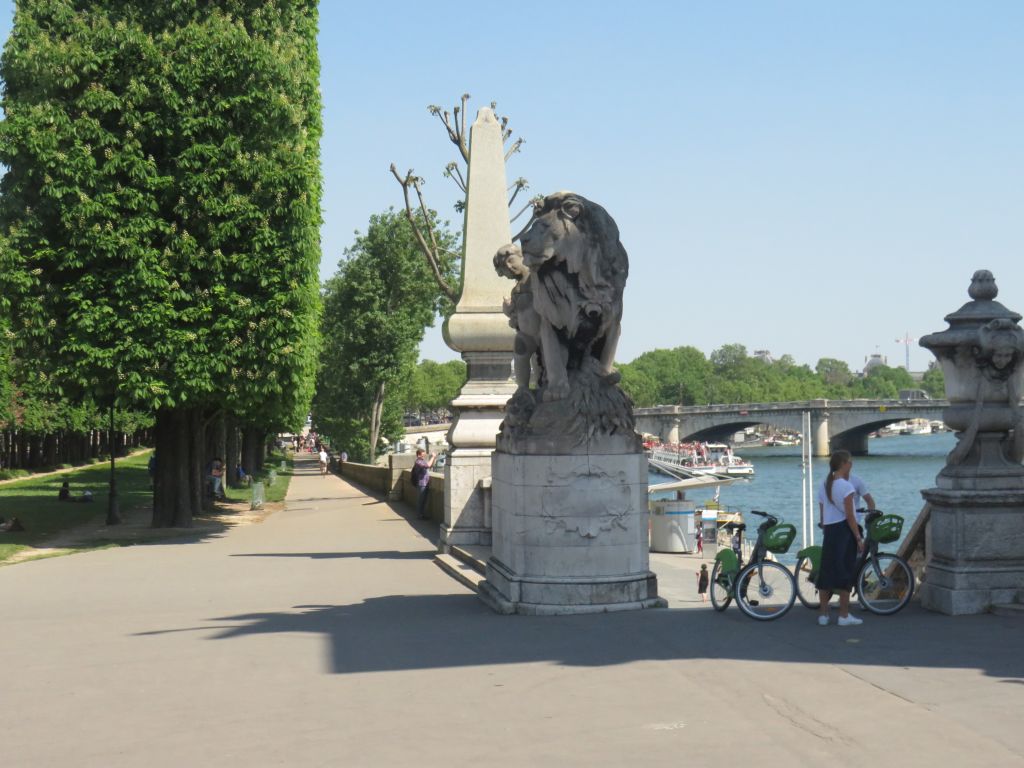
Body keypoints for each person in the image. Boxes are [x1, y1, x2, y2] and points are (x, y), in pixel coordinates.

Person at [815, 449, 865, 627]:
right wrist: (858, 537)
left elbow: (822, 512)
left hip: (829, 530)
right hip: (844, 531)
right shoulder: (846, 487)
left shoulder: (824, 484)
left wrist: (824, 527)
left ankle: (823, 614)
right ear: (844, 464)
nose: (851, 464)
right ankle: (844, 615)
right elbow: (850, 516)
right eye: (849, 462)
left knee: (827, 571)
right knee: (845, 572)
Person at [412, 448, 437, 520]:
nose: (424, 456)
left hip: (425, 483)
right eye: (423, 455)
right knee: (421, 500)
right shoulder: (418, 462)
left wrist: (434, 458)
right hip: (421, 483)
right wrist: (433, 457)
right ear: (418, 455)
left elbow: (430, 465)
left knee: (424, 500)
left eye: (424, 455)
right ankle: (419, 515)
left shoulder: (422, 461)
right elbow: (428, 466)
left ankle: (422, 514)